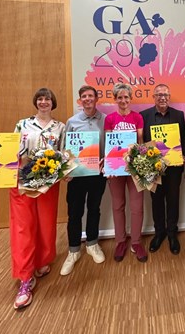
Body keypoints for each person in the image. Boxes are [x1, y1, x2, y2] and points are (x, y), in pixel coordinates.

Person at [9, 88, 65, 310]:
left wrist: (67, 172)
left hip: (47, 185)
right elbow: (9, 150)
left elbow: (63, 155)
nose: (44, 102)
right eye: (40, 99)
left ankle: (42, 261)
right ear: (36, 102)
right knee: (23, 228)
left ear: (53, 103)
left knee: (45, 225)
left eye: (48, 99)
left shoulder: (59, 127)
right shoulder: (22, 124)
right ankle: (24, 278)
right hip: (21, 182)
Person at [60, 85, 107, 276]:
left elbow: (110, 145)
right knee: (75, 212)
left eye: (90, 96)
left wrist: (107, 162)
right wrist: (65, 170)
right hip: (77, 175)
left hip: (98, 173)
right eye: (84, 96)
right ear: (80, 100)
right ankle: (73, 250)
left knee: (94, 209)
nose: (87, 99)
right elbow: (65, 149)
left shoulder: (105, 120)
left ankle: (92, 244)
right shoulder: (71, 121)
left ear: (96, 99)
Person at [140, 84, 185, 255]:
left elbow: (183, 139)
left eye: (165, 95)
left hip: (174, 168)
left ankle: (172, 234)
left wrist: (183, 158)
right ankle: (159, 233)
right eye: (159, 95)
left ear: (169, 96)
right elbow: (143, 142)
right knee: (156, 200)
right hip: (153, 168)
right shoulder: (144, 116)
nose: (162, 98)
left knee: (173, 200)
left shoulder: (178, 115)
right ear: (154, 97)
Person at [104, 83, 147, 263]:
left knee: (137, 206)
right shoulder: (110, 119)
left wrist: (141, 162)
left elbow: (141, 142)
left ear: (130, 98)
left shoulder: (137, 117)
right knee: (117, 205)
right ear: (115, 99)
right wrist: (109, 165)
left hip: (134, 167)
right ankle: (120, 241)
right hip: (115, 168)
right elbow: (108, 143)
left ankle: (136, 242)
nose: (123, 100)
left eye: (126, 97)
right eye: (119, 97)